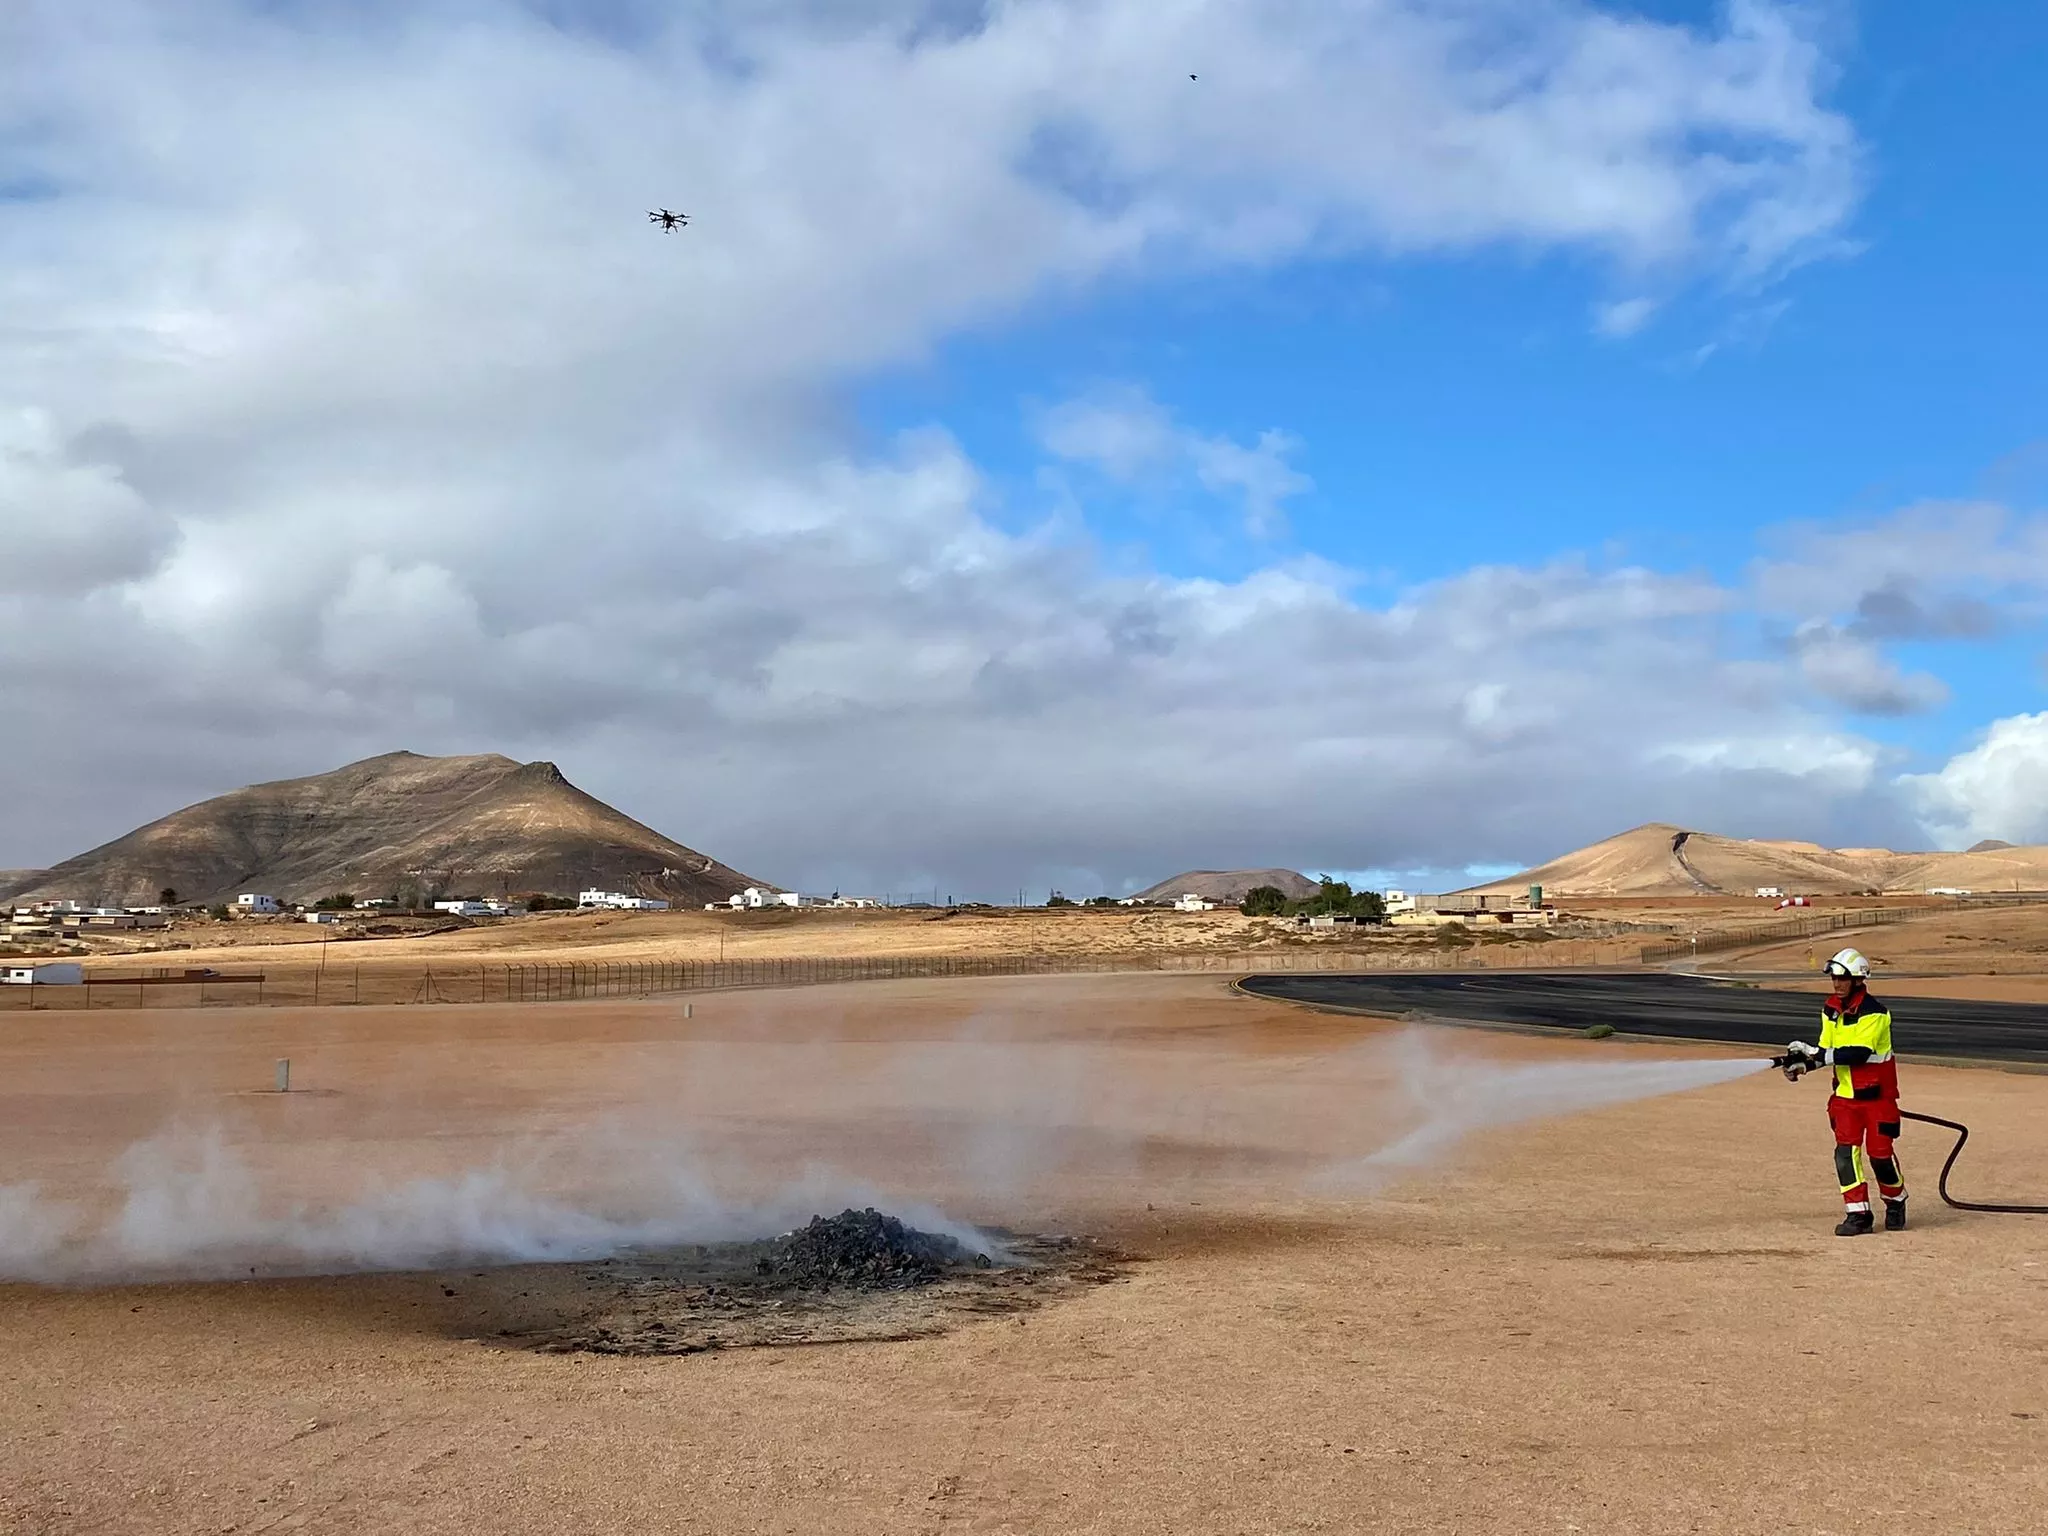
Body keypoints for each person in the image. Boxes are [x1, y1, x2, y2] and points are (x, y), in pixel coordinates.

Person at [1782, 947, 1905, 1235]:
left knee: (1880, 1157)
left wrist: (1815, 1054)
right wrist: (1803, 1066)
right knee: (1845, 1156)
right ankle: (1858, 1215)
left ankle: (1896, 1200)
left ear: (1858, 980)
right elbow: (1827, 1051)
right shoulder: (1830, 1010)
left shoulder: (1876, 1014)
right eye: (1834, 978)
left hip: (1878, 1100)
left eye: (1843, 978)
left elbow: (1858, 1054)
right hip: (1845, 1100)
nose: (1837, 984)